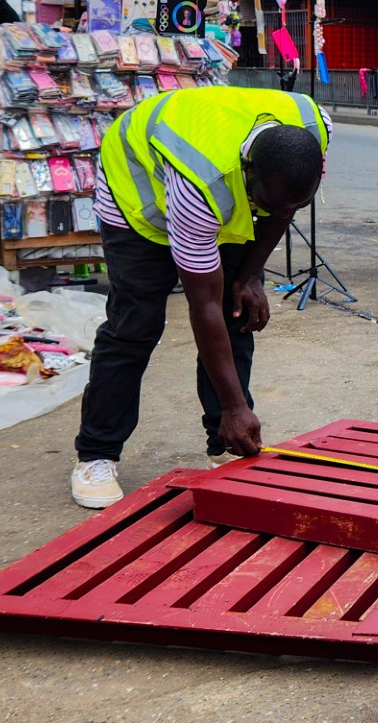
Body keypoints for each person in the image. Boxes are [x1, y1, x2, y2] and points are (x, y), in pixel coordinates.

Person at [70, 86, 332, 509]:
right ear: (249, 170)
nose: (277, 212)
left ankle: (226, 442)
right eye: (265, 203)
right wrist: (235, 405)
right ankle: (96, 453)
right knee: (135, 325)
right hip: (136, 205)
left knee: (238, 310)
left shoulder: (312, 129)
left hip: (223, 192)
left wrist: (250, 277)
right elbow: (202, 305)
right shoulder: (201, 178)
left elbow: (281, 209)